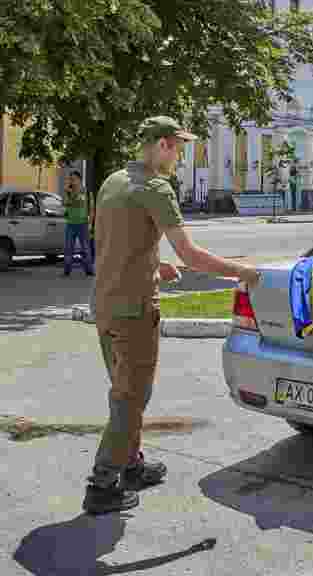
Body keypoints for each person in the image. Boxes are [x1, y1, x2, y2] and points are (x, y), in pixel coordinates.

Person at [85, 116, 262, 515]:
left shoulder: (113, 181)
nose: (180, 156)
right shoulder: (156, 187)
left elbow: (114, 242)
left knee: (123, 391)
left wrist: (155, 265)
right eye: (179, 147)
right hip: (134, 311)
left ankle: (131, 465)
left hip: (105, 305)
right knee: (131, 398)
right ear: (164, 145)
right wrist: (243, 272)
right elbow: (192, 255)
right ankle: (102, 483)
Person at [62, 170, 94, 277]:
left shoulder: (85, 191)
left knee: (85, 248)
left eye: (73, 179)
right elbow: (65, 203)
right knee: (68, 248)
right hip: (70, 223)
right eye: (70, 179)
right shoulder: (68, 191)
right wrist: (68, 193)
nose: (71, 181)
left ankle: (89, 269)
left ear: (79, 180)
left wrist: (90, 223)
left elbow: (90, 207)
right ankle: (67, 269)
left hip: (83, 223)